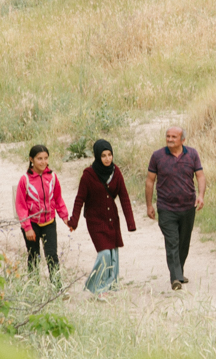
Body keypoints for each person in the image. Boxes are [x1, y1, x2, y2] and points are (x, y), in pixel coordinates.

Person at [67, 138, 136, 294]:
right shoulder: (88, 175)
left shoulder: (115, 172)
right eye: (103, 155)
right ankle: (95, 287)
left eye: (109, 155)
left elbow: (124, 197)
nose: (107, 159)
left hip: (112, 219)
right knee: (104, 253)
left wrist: (130, 223)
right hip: (95, 220)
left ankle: (110, 286)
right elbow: (80, 199)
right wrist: (74, 221)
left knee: (113, 254)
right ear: (98, 156)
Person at [145, 126, 205, 291]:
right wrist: (149, 205)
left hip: (188, 207)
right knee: (172, 242)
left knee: (184, 243)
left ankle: (179, 272)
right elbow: (150, 181)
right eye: (168, 136)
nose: (170, 139)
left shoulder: (192, 154)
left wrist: (201, 195)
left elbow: (200, 175)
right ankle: (175, 278)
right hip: (166, 207)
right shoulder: (157, 156)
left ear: (183, 140)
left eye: (174, 137)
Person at [16, 144, 68, 276]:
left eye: (46, 158)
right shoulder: (25, 180)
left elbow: (58, 199)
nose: (43, 162)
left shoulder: (53, 177)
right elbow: (20, 205)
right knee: (34, 256)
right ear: (31, 159)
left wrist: (65, 217)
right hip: (32, 224)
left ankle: (57, 287)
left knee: (52, 256)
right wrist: (27, 227)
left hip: (49, 222)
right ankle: (33, 287)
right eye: (39, 158)